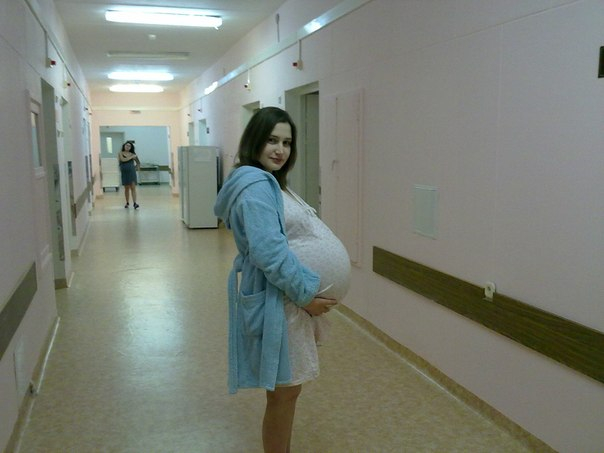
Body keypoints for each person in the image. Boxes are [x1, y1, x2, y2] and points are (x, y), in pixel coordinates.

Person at [214, 107, 350, 453]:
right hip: (284, 300)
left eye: (287, 142)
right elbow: (268, 252)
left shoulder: (270, 181)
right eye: (272, 140)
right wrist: (306, 296)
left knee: (287, 390)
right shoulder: (256, 186)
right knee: (284, 392)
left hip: (289, 299)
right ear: (254, 141)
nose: (280, 150)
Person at [118, 141, 140, 209]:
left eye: (129, 146)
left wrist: (136, 168)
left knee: (133, 187)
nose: (127, 147)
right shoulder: (120, 153)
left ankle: (135, 203)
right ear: (124, 146)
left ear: (131, 147)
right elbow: (123, 159)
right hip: (124, 172)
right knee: (126, 188)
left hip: (132, 172)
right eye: (126, 145)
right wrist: (132, 157)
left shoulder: (133, 154)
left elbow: (138, 162)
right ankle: (127, 202)